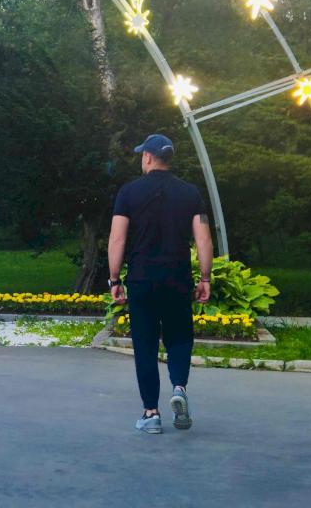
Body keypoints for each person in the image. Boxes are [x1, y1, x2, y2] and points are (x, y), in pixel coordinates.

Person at [107, 133, 213, 434]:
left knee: (145, 344)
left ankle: (151, 414)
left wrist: (114, 279)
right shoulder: (190, 193)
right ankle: (179, 387)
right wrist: (205, 278)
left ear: (148, 157)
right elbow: (204, 240)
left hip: (142, 279)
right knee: (180, 336)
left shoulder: (129, 192)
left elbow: (117, 239)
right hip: (178, 278)